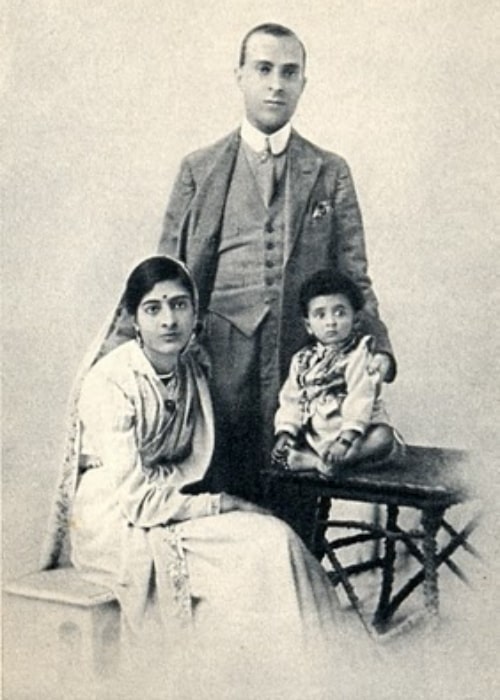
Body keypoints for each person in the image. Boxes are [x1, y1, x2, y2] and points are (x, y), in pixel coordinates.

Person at [40, 256, 376, 697]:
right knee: (253, 557)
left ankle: (314, 684)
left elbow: (189, 463)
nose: (168, 320)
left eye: (180, 305)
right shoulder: (111, 380)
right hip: (116, 515)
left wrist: (210, 503)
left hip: (170, 500)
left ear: (195, 313)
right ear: (132, 318)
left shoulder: (187, 372)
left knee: (275, 540)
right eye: (153, 308)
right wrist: (222, 504)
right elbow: (136, 498)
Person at [158, 22, 396, 510]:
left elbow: (354, 277)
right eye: (263, 69)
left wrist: (380, 348)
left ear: (303, 83)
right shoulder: (199, 169)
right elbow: (166, 276)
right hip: (217, 367)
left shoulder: (329, 172)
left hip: (303, 365)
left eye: (290, 72)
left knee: (295, 499)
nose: (276, 84)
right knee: (219, 495)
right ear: (240, 75)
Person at [272, 269, 401, 476]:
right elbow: (292, 400)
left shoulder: (359, 353)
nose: (331, 322)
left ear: (356, 319)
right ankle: (317, 461)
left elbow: (360, 398)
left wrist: (345, 439)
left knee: (383, 438)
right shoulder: (302, 359)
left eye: (340, 313)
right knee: (281, 454)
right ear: (308, 326)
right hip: (318, 433)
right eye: (320, 315)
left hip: (355, 433)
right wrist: (286, 432)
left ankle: (340, 460)